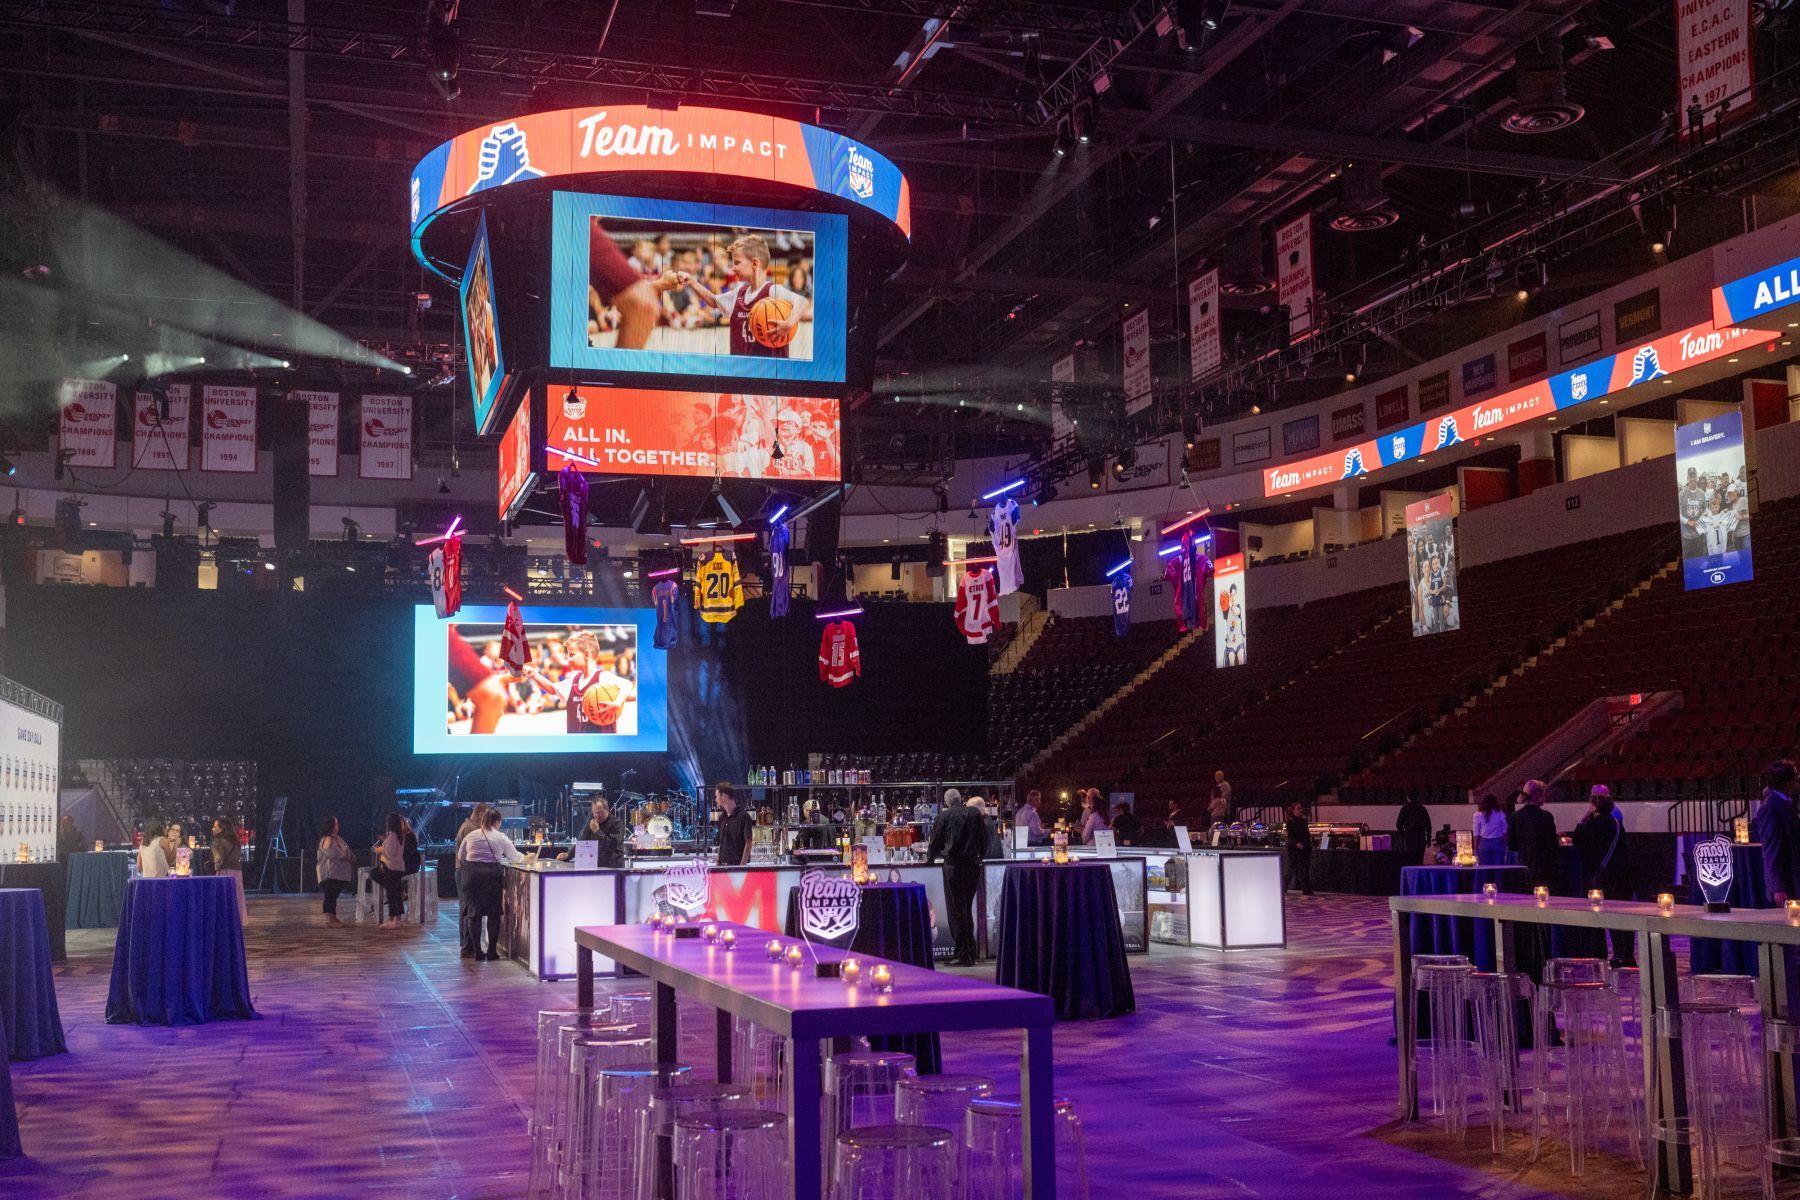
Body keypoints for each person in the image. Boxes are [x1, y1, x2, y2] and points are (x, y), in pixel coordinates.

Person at [677, 234, 812, 359]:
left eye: (737, 263)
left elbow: (802, 301)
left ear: (754, 263)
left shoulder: (773, 291)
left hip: (768, 370)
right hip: (741, 369)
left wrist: (789, 323)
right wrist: (692, 282)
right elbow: (713, 300)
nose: (733, 268)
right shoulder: (739, 293)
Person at [1572, 787, 1635, 965]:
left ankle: (1618, 954)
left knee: (1612, 917)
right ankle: (1627, 955)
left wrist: (1583, 820)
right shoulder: (1616, 823)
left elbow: (1578, 840)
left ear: (1594, 807)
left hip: (1604, 874)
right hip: (1621, 873)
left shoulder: (1593, 825)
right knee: (1624, 915)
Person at [926, 788, 987, 966]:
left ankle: (962, 954)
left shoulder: (943, 817)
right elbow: (984, 841)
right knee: (967, 909)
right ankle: (970, 952)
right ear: (961, 800)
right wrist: (979, 858)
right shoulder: (975, 814)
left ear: (946, 802)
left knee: (957, 911)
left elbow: (935, 843)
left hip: (954, 867)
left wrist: (929, 859)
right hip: (973, 866)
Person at [460, 809, 525, 960]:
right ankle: (491, 952)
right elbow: (515, 856)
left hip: (471, 876)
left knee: (473, 914)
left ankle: (477, 952)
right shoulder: (500, 836)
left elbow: (461, 856)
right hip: (491, 877)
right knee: (493, 914)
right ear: (496, 822)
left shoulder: (471, 835)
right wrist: (528, 857)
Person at [1756, 760, 1800, 904]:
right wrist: (1779, 887)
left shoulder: (1786, 803)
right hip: (1788, 882)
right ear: (1788, 782)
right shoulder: (1771, 808)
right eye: (1796, 777)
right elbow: (1772, 849)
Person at [453, 803, 492, 956]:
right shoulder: (471, 829)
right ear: (481, 814)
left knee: (466, 908)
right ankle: (466, 945)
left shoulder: (468, 826)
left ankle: (467, 944)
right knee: (467, 909)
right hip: (465, 871)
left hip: (463, 871)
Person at [1511, 779, 1562, 890]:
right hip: (1542, 866)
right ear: (1539, 795)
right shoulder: (1546, 816)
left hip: (1523, 865)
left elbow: (1512, 844)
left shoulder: (1516, 816)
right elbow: (1552, 845)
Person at [563, 795, 628, 869]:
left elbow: (612, 846)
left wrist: (597, 831)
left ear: (607, 809)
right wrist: (568, 855)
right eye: (594, 812)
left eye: (599, 812)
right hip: (597, 867)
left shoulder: (616, 823)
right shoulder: (592, 823)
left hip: (613, 867)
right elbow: (582, 843)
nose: (597, 815)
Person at [317, 816, 356, 926]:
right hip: (330, 873)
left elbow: (346, 849)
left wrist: (350, 856)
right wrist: (346, 857)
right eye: (336, 824)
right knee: (330, 895)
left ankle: (333, 918)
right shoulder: (328, 839)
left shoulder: (337, 838)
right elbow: (332, 853)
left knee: (333, 895)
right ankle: (330, 919)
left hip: (338, 873)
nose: (338, 826)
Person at [373, 813, 409, 928]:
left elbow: (389, 853)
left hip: (391, 868)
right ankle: (398, 919)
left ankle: (392, 919)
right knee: (396, 893)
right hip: (398, 867)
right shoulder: (399, 836)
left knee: (392, 894)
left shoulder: (392, 836)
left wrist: (380, 850)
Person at [212, 817, 247, 924]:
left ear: (222, 828)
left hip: (224, 872)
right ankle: (237, 920)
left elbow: (218, 860)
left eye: (215, 826)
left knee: (224, 898)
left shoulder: (218, 842)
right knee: (236, 896)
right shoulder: (235, 842)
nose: (212, 829)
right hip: (237, 871)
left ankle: (225, 922)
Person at [714, 782, 753, 867]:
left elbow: (748, 842)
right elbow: (722, 843)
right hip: (722, 866)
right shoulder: (722, 818)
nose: (716, 799)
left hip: (736, 866)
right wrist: (717, 863)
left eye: (717, 796)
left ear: (724, 796)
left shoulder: (743, 816)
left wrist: (741, 867)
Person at [1283, 801, 1315, 895]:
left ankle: (1306, 889)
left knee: (1305, 868)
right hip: (1294, 848)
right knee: (1292, 867)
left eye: (1301, 808)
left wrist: (1307, 844)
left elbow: (1306, 835)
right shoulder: (1290, 821)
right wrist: (1296, 843)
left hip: (1304, 847)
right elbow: (1291, 836)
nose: (1301, 810)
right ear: (1293, 810)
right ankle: (1283, 886)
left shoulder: (1304, 821)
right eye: (1298, 808)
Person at [1394, 795, 1432, 864]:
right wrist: (1428, 838)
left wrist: (1403, 834)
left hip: (1409, 839)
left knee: (1410, 860)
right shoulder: (1422, 809)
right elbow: (1428, 825)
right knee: (1419, 861)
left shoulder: (1404, 809)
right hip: (1420, 838)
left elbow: (1398, 824)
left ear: (1408, 798)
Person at [1473, 794, 1508, 866]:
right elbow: (1504, 831)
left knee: (1484, 869)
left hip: (1484, 842)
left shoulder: (1478, 814)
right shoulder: (1500, 814)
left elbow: (1476, 833)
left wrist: (1475, 847)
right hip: (1498, 842)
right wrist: (1506, 844)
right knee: (1498, 869)